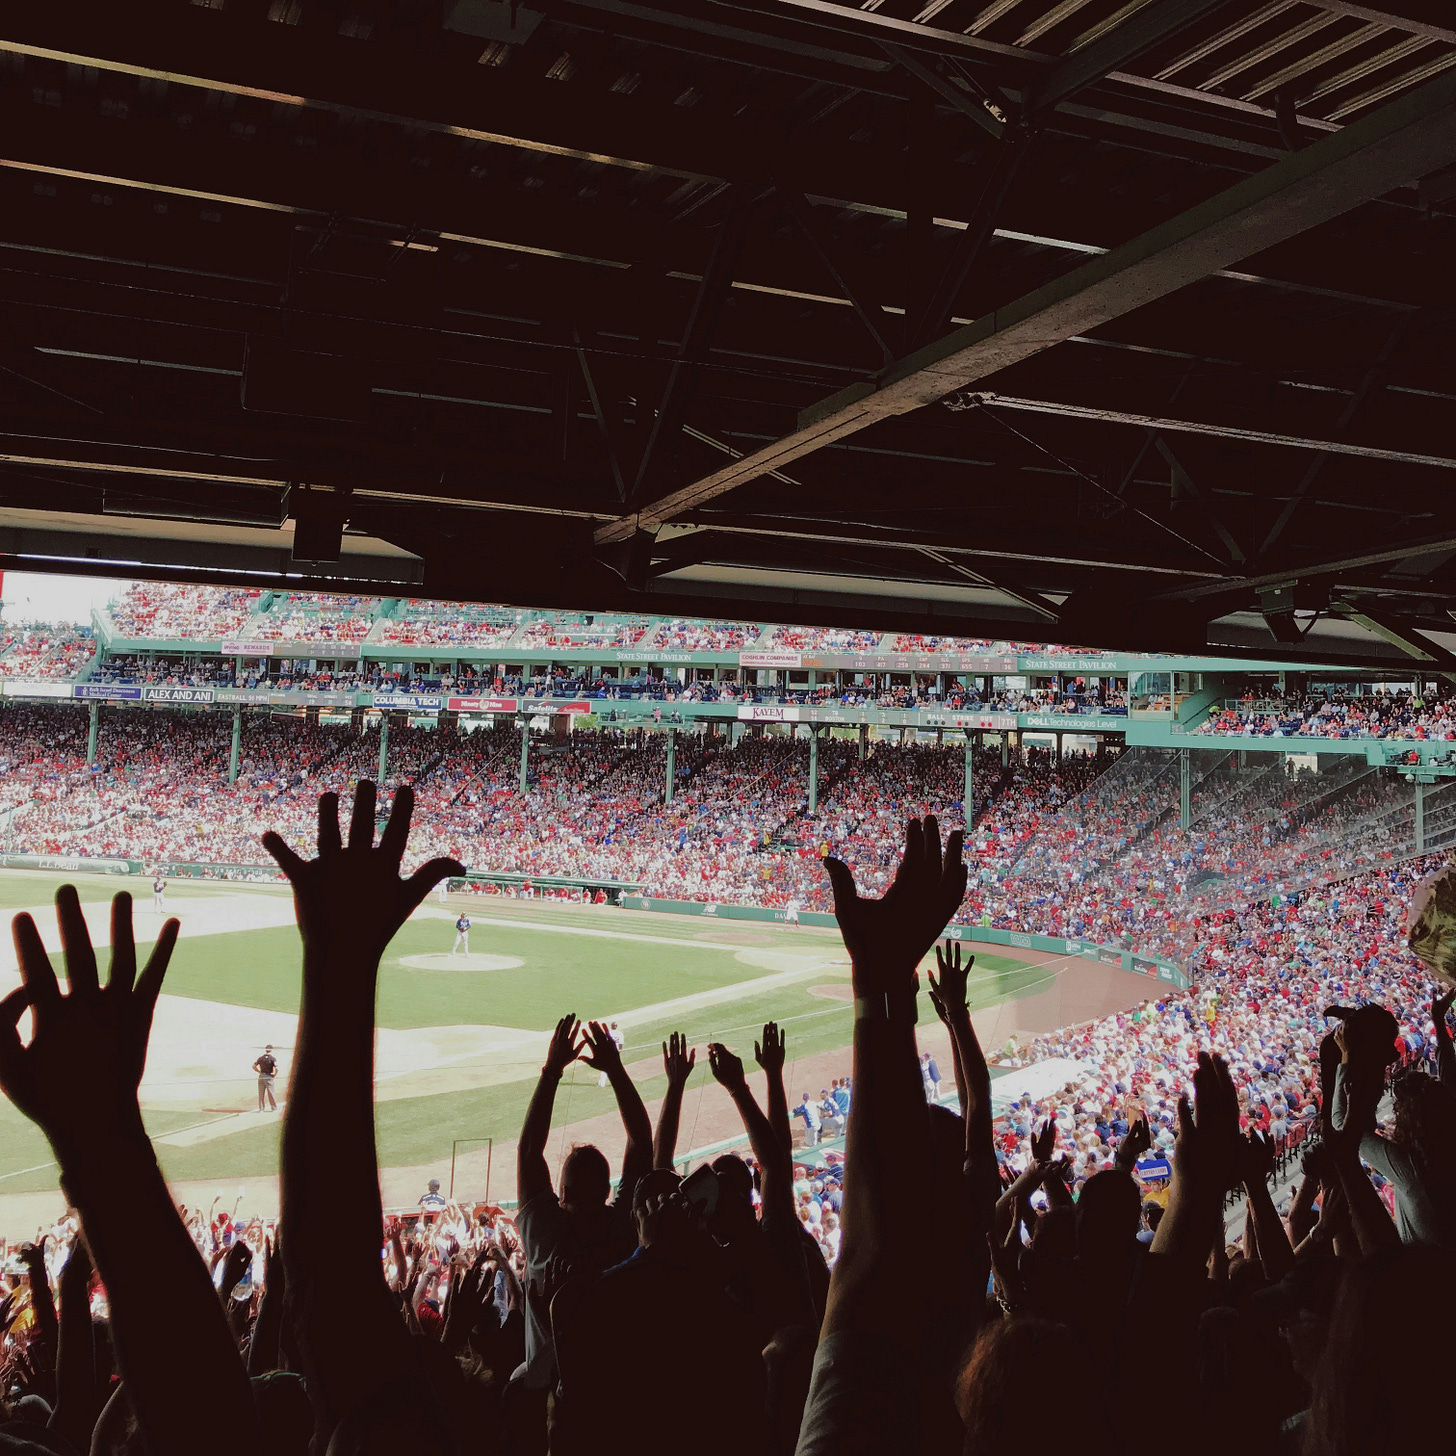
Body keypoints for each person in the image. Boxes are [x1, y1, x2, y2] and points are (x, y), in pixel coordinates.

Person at [252, 1044, 278, 1112]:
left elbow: (253, 1066)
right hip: (269, 1076)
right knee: (271, 1093)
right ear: (272, 1050)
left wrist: (259, 1072)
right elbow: (277, 1068)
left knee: (261, 1093)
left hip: (261, 1077)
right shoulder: (272, 1058)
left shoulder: (260, 1058)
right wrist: (274, 1075)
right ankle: (274, 1108)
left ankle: (261, 1109)